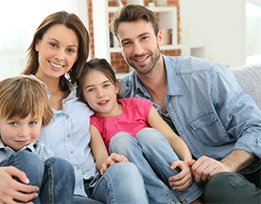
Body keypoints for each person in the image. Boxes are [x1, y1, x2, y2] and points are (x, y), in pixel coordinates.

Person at [0, 11, 148, 204]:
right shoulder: (10, 93)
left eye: (70, 50)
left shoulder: (85, 93)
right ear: (37, 43)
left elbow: (119, 102)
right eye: (53, 45)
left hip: (96, 182)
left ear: (77, 56)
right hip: (56, 189)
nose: (60, 56)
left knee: (125, 170)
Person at [110, 4, 261, 203]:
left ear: (159, 37)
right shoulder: (123, 95)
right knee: (218, 187)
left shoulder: (206, 75)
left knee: (220, 184)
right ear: (120, 47)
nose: (138, 50)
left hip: (246, 168)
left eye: (144, 38)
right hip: (206, 188)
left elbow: (255, 127)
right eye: (127, 42)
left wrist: (226, 166)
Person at [77, 58, 202, 204]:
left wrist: (187, 161)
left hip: (162, 164)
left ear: (116, 87)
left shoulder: (139, 105)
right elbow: (101, 157)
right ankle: (166, 201)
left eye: (105, 85)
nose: (100, 94)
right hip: (139, 181)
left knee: (147, 134)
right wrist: (106, 162)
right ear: (84, 97)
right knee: (121, 140)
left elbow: (171, 137)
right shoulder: (94, 123)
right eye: (91, 89)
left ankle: (192, 198)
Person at [0, 75, 75, 203]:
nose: (24, 133)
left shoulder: (42, 151)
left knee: (62, 166)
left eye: (32, 123)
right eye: (14, 123)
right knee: (28, 159)